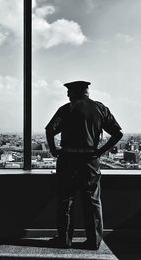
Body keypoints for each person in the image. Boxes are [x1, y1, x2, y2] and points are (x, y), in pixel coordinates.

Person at [45, 81, 123, 249]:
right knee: (92, 200)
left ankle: (64, 239)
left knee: (66, 199)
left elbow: (50, 130)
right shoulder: (100, 108)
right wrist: (101, 151)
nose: (67, 95)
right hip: (90, 159)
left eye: (68, 92)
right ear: (87, 92)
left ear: (74, 93)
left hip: (67, 158)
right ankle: (94, 241)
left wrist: (53, 150)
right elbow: (118, 133)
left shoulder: (66, 109)